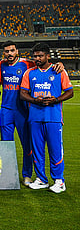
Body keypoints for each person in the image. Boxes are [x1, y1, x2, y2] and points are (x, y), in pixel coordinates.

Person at [20, 43, 73, 193]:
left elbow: (70, 92)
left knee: (55, 150)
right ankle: (41, 179)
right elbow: (22, 93)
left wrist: (55, 100)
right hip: (35, 118)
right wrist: (35, 100)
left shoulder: (58, 71)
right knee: (37, 151)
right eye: (35, 56)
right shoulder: (29, 73)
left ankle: (59, 181)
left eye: (40, 55)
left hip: (53, 117)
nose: (37, 58)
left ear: (47, 56)